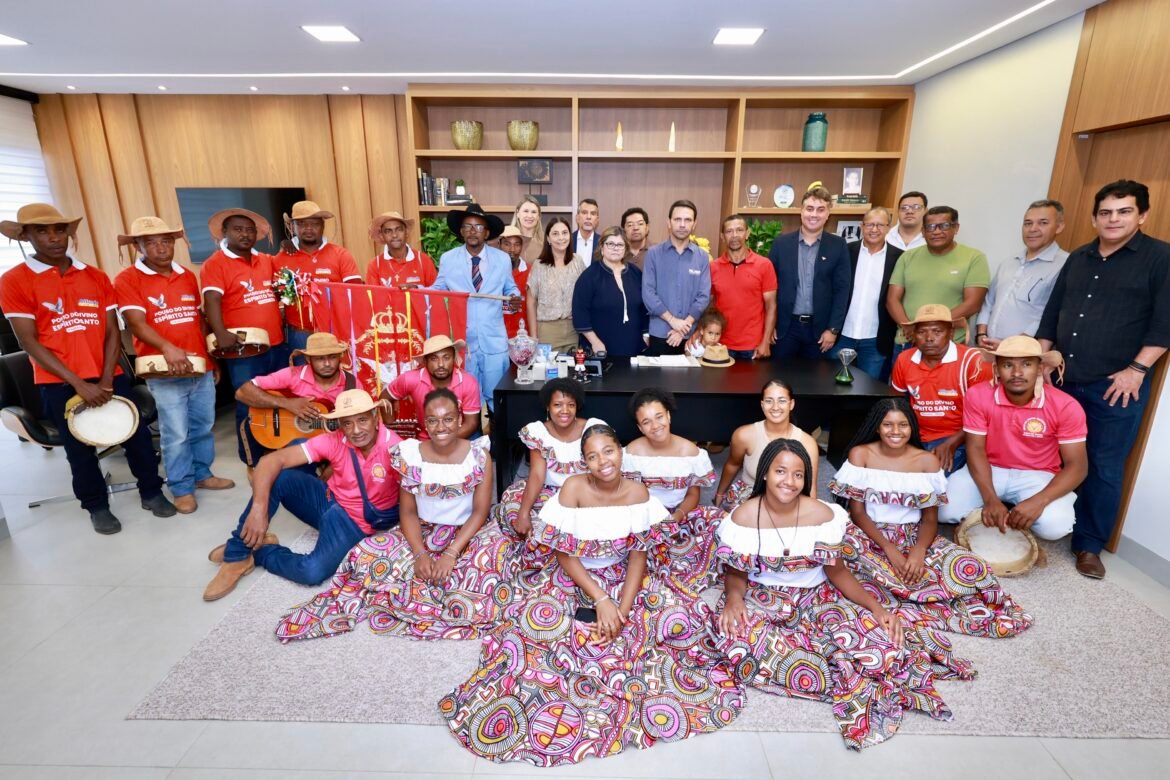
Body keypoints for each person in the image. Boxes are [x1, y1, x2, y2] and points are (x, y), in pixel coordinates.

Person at [442, 423, 744, 766]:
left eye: (609, 451)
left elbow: (638, 556)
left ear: (620, 452)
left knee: (670, 619)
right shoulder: (573, 489)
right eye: (593, 456)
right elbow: (564, 553)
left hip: (622, 576)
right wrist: (601, 600)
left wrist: (622, 611)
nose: (603, 461)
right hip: (576, 576)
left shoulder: (638, 493)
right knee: (538, 629)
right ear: (584, 462)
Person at [712, 438, 959, 750]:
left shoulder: (823, 516)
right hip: (764, 599)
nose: (789, 481)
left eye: (798, 474)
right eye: (780, 471)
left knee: (886, 648)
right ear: (764, 473)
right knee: (737, 639)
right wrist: (734, 600)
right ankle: (811, 668)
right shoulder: (742, 518)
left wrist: (877, 609)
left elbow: (838, 572)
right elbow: (736, 572)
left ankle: (823, 665)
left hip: (818, 598)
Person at [275, 389, 511, 642]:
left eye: (448, 419)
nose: (441, 427)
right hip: (423, 530)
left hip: (468, 532)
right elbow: (407, 511)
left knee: (486, 571)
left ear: (460, 419)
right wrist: (420, 553)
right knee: (364, 556)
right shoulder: (410, 455)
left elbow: (480, 511)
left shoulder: (479, 455)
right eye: (433, 420)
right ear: (424, 422)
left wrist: (451, 554)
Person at [0, 203, 175, 534]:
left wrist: (107, 377)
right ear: (25, 236)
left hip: (109, 375)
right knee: (79, 450)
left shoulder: (95, 276)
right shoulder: (14, 280)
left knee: (136, 437)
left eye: (59, 230)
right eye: (42, 231)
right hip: (59, 381)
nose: (54, 237)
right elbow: (28, 341)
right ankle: (96, 506)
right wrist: (79, 384)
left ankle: (152, 492)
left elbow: (112, 332)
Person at [1036, 180, 1169, 579]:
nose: (1113, 219)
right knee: (1049, 452)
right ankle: (1047, 520)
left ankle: (1089, 545)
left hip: (1115, 386)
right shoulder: (1080, 257)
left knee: (1105, 464)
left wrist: (1137, 369)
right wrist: (1042, 359)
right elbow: (1053, 313)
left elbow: (1165, 321)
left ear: (1142, 215)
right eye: (1106, 212)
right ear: (1095, 218)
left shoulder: (1160, 258)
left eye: (1124, 211)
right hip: (1063, 379)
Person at [830, 398, 1033, 640]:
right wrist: (889, 550)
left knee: (970, 566)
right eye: (888, 425)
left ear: (912, 427)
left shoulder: (927, 461)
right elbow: (858, 513)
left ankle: (896, 590)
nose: (896, 431)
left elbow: (929, 519)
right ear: (877, 427)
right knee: (842, 555)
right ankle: (903, 590)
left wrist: (918, 551)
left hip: (913, 535)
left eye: (903, 425)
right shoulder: (861, 454)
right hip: (869, 534)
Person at [203, 389, 403, 600]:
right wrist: (259, 510)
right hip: (328, 500)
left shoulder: (395, 448)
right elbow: (270, 461)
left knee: (311, 572)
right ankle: (237, 554)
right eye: (347, 423)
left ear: (375, 417)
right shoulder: (335, 439)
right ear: (340, 424)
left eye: (362, 420)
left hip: (355, 523)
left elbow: (411, 498)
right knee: (280, 477)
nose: (356, 430)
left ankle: (259, 551)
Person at [114, 216, 233, 515]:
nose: (161, 248)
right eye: (151, 242)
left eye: (166, 241)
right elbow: (136, 324)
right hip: (162, 372)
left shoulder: (186, 276)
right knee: (176, 434)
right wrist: (168, 347)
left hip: (199, 367)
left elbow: (198, 320)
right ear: (138, 246)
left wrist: (210, 359)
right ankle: (181, 487)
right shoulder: (128, 279)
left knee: (203, 427)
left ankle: (202, 474)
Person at [940, 336, 1087, 547]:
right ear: (997, 369)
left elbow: (1078, 466)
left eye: (1027, 364)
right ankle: (996, 509)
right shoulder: (978, 395)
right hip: (990, 468)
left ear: (1039, 369)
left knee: (1055, 527)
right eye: (1008, 365)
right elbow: (976, 448)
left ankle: (1012, 509)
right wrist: (990, 499)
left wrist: (1039, 501)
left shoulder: (1065, 405)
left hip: (1038, 473)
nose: (1017, 373)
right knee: (944, 511)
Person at [199, 207, 286, 466]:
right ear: (224, 232)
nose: (245, 234)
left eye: (250, 230)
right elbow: (211, 300)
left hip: (276, 345)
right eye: (238, 229)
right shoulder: (215, 264)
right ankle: (252, 459)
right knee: (248, 404)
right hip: (243, 350)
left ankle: (277, 451)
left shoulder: (266, 260)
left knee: (278, 400)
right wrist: (220, 333)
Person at [495, 378, 604, 564]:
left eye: (571, 405)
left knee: (575, 524)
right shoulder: (538, 432)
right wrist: (524, 513)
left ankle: (557, 552)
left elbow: (601, 471)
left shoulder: (592, 429)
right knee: (512, 505)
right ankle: (547, 552)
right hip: (549, 493)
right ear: (548, 406)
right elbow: (537, 475)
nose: (564, 410)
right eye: (557, 405)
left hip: (585, 493)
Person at [623, 387, 721, 589]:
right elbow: (630, 497)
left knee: (719, 520)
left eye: (659, 417)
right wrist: (656, 522)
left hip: (680, 513)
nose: (655, 426)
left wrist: (676, 517)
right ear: (640, 427)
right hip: (645, 516)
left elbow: (693, 495)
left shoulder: (691, 452)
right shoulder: (632, 453)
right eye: (646, 422)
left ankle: (677, 562)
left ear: (668, 416)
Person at [431, 204, 521, 411]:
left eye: (478, 227)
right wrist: (415, 290)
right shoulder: (448, 259)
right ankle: (472, 432)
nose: (473, 231)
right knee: (466, 398)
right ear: (461, 231)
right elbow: (436, 291)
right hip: (464, 343)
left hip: (494, 342)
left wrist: (514, 298)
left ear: (487, 233)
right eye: (468, 226)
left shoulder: (502, 259)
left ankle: (496, 432)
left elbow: (511, 288)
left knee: (498, 399)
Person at [890, 304, 992, 475]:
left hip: (958, 438)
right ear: (913, 334)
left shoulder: (974, 362)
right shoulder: (904, 359)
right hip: (914, 435)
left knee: (931, 479)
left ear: (951, 333)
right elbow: (897, 403)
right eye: (922, 332)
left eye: (937, 331)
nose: (929, 338)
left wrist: (952, 443)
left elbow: (986, 416)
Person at [233, 332, 357, 463]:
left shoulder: (351, 384)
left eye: (332, 357)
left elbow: (362, 421)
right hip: (299, 449)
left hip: (335, 448)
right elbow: (242, 392)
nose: (327, 363)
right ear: (308, 359)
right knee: (298, 448)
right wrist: (287, 403)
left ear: (340, 357)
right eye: (320, 358)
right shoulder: (292, 375)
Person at [887, 206, 989, 351]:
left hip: (949, 343)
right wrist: (909, 327)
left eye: (944, 226)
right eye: (930, 227)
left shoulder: (974, 258)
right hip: (908, 340)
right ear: (923, 231)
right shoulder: (907, 257)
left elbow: (973, 304)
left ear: (956, 228)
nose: (936, 231)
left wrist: (927, 329)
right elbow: (892, 299)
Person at [768, 186, 851, 360]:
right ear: (801, 211)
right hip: (784, 329)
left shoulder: (838, 245)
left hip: (820, 332)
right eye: (810, 208)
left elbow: (842, 291)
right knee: (779, 374)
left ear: (828, 213)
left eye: (820, 210)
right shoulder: (781, 244)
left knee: (815, 377)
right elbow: (769, 288)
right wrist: (770, 325)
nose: (814, 214)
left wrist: (833, 329)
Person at [976, 200, 1069, 349]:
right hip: (988, 348)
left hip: (1025, 353)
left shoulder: (1066, 265)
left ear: (1059, 227)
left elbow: (1053, 314)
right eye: (1027, 223)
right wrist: (981, 334)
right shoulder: (1008, 263)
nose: (1032, 229)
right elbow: (989, 302)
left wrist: (1011, 346)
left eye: (1043, 223)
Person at [714, 379, 819, 508]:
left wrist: (811, 512)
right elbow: (732, 465)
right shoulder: (744, 435)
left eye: (782, 401)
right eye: (769, 401)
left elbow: (811, 487)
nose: (775, 407)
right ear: (762, 405)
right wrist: (719, 494)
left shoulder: (807, 443)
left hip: (788, 497)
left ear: (791, 404)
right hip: (750, 496)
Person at [276, 200, 361, 353]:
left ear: (323, 226)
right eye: (301, 224)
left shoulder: (341, 255)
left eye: (315, 224)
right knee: (302, 369)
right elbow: (275, 295)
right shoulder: (280, 259)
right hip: (299, 334)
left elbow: (355, 294)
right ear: (292, 227)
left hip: (335, 331)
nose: (308, 228)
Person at [835, 206, 904, 379]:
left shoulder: (899, 258)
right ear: (862, 226)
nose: (874, 229)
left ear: (888, 227)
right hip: (841, 335)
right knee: (830, 384)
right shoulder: (845, 251)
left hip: (875, 339)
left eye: (880, 225)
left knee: (868, 387)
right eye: (870, 224)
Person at [642, 199, 711, 355]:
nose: (682, 224)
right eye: (677, 219)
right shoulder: (653, 254)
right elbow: (648, 293)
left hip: (691, 336)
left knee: (691, 372)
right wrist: (672, 321)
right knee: (659, 372)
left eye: (688, 220)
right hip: (661, 333)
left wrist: (684, 326)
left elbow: (703, 296)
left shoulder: (701, 257)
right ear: (669, 222)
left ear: (694, 224)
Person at [385, 335, 481, 440]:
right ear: (425, 361)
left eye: (446, 358)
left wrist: (440, 443)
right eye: (434, 359)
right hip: (425, 439)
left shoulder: (468, 382)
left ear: (454, 358)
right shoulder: (410, 379)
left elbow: (471, 423)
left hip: (458, 437)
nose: (441, 364)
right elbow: (385, 398)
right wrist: (390, 431)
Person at [572, 225, 648, 358]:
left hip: (634, 346)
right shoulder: (589, 276)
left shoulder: (636, 274)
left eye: (620, 245)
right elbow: (580, 313)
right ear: (602, 247)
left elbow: (645, 307)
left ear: (625, 249)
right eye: (610, 244)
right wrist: (595, 342)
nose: (615, 248)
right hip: (600, 348)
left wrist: (646, 335)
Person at [710, 213, 777, 360]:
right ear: (722, 237)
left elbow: (771, 306)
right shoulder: (713, 267)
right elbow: (710, 304)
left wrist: (765, 342)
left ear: (747, 233)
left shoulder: (764, 265)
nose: (734, 235)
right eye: (729, 231)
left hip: (753, 346)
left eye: (739, 230)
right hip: (720, 344)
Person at [525, 216, 586, 352]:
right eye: (555, 234)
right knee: (548, 366)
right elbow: (531, 301)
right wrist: (533, 336)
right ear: (548, 239)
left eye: (565, 233)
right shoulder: (539, 265)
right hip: (547, 330)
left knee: (573, 365)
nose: (561, 238)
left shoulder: (578, 262)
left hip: (574, 330)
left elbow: (586, 295)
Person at [365, 211, 436, 290]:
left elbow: (435, 293)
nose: (394, 235)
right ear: (382, 236)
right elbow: (373, 296)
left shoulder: (423, 260)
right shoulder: (375, 265)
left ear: (406, 232)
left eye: (399, 229)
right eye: (388, 231)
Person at [497, 225, 530, 338]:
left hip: (522, 337)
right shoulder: (490, 271)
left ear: (522, 246)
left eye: (517, 244)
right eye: (507, 244)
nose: (512, 249)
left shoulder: (530, 272)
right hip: (496, 337)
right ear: (499, 245)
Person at [509, 194, 544, 263]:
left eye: (534, 212)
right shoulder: (506, 241)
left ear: (538, 216)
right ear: (518, 213)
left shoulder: (545, 244)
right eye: (526, 211)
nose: (530, 216)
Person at [571, 197, 601, 265]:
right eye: (584, 213)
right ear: (577, 218)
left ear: (597, 220)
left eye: (593, 213)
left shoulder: (603, 243)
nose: (588, 217)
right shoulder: (568, 240)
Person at [621, 206, 651, 270]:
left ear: (647, 228)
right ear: (624, 230)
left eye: (640, 224)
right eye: (630, 225)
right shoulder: (618, 252)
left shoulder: (658, 251)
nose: (635, 228)